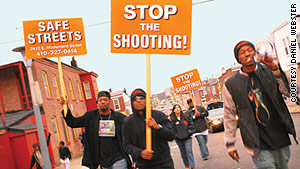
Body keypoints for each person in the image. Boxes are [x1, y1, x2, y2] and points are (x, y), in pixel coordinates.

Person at [223, 40, 298, 169]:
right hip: (257, 141)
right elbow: (229, 114)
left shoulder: (269, 70)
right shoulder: (231, 84)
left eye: (250, 50)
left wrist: (275, 69)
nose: (247, 54)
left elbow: (291, 92)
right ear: (238, 59)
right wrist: (230, 142)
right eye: (242, 52)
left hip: (280, 136)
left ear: (255, 52)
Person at [60, 91, 132, 169]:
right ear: (97, 102)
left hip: (118, 158)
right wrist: (65, 107)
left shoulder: (120, 118)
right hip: (103, 161)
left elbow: (132, 133)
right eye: (100, 100)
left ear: (110, 101)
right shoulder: (90, 116)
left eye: (105, 100)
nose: (103, 102)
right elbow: (73, 123)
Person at [122, 88, 176, 169]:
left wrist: (158, 127)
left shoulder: (159, 115)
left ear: (146, 100)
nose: (139, 101)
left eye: (141, 98)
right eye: (135, 99)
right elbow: (126, 145)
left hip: (164, 163)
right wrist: (140, 153)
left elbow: (172, 135)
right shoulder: (128, 122)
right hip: (143, 165)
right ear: (132, 103)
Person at [169, 104, 195, 169]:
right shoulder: (172, 120)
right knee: (183, 153)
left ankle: (192, 166)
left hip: (188, 138)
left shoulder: (185, 117)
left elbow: (191, 125)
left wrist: (189, 132)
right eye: (175, 108)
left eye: (178, 107)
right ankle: (187, 166)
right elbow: (171, 129)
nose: (177, 109)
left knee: (189, 151)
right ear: (173, 110)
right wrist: (176, 136)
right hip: (179, 139)